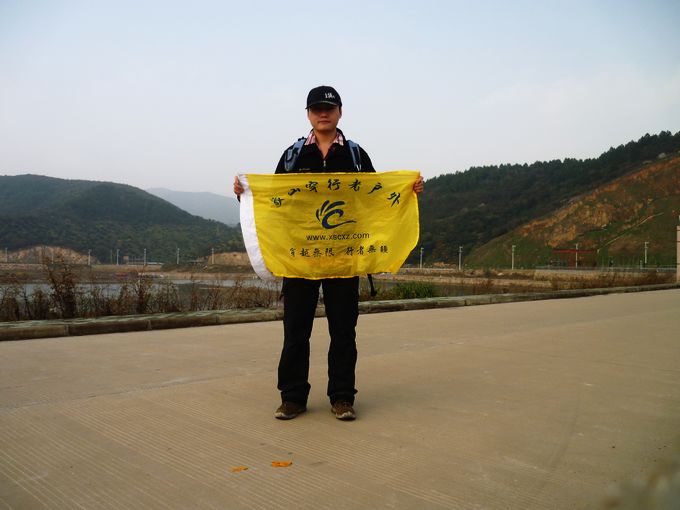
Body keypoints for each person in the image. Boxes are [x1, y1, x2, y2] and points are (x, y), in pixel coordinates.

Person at [234, 86, 424, 421]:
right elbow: (275, 203)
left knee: (343, 332)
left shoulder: (355, 155)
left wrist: (409, 190)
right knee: (295, 331)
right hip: (301, 260)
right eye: (317, 108)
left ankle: (342, 397)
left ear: (339, 112)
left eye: (329, 108)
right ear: (308, 114)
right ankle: (292, 398)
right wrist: (246, 195)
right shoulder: (293, 156)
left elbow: (375, 200)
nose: (323, 113)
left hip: (343, 259)